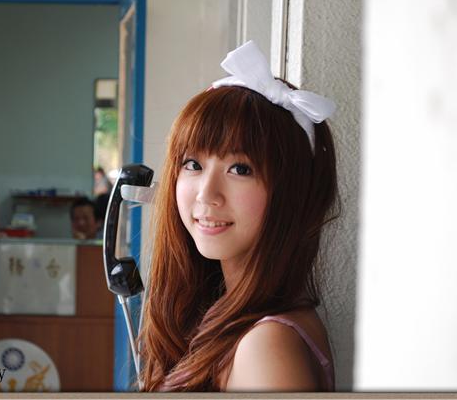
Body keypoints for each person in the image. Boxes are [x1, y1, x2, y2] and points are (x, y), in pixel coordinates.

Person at [138, 41, 339, 392]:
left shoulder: (266, 347)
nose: (206, 194)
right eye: (193, 164)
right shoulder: (232, 318)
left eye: (240, 169)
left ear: (291, 194)